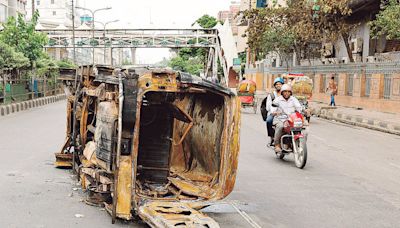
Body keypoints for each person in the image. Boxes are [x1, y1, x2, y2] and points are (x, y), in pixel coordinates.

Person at [272, 84, 302, 153]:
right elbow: (273, 108)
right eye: (285, 91)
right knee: (280, 126)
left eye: (288, 92)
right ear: (282, 92)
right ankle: (277, 144)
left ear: (290, 92)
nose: (287, 93)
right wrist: (275, 112)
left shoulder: (293, 99)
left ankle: (295, 143)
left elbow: (298, 107)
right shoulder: (278, 99)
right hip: (280, 118)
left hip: (291, 118)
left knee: (302, 127)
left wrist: (303, 111)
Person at [265, 77, 284, 146]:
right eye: (277, 84)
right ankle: (272, 137)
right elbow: (268, 107)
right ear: (275, 86)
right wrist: (274, 111)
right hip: (273, 114)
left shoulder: (285, 94)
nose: (278, 85)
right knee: (269, 121)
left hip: (284, 113)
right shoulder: (271, 95)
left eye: (280, 84)